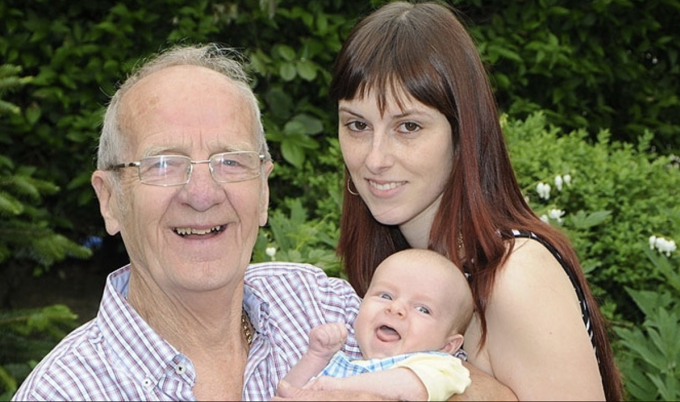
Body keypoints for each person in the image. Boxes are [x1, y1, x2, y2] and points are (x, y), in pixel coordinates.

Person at [284, 1, 624, 400]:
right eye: (357, 125)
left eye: (408, 126)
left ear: (463, 133)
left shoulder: (514, 274)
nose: (374, 159)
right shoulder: (403, 272)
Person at [11, 43, 368, 401]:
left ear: (263, 191)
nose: (202, 194)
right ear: (110, 201)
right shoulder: (63, 393)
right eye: (163, 164)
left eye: (230, 161)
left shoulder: (325, 309)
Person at [279, 248, 474, 401]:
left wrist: (337, 387)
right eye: (385, 295)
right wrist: (316, 356)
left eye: (422, 309)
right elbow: (286, 393)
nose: (396, 307)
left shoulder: (441, 367)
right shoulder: (341, 363)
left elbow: (414, 388)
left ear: (447, 346)